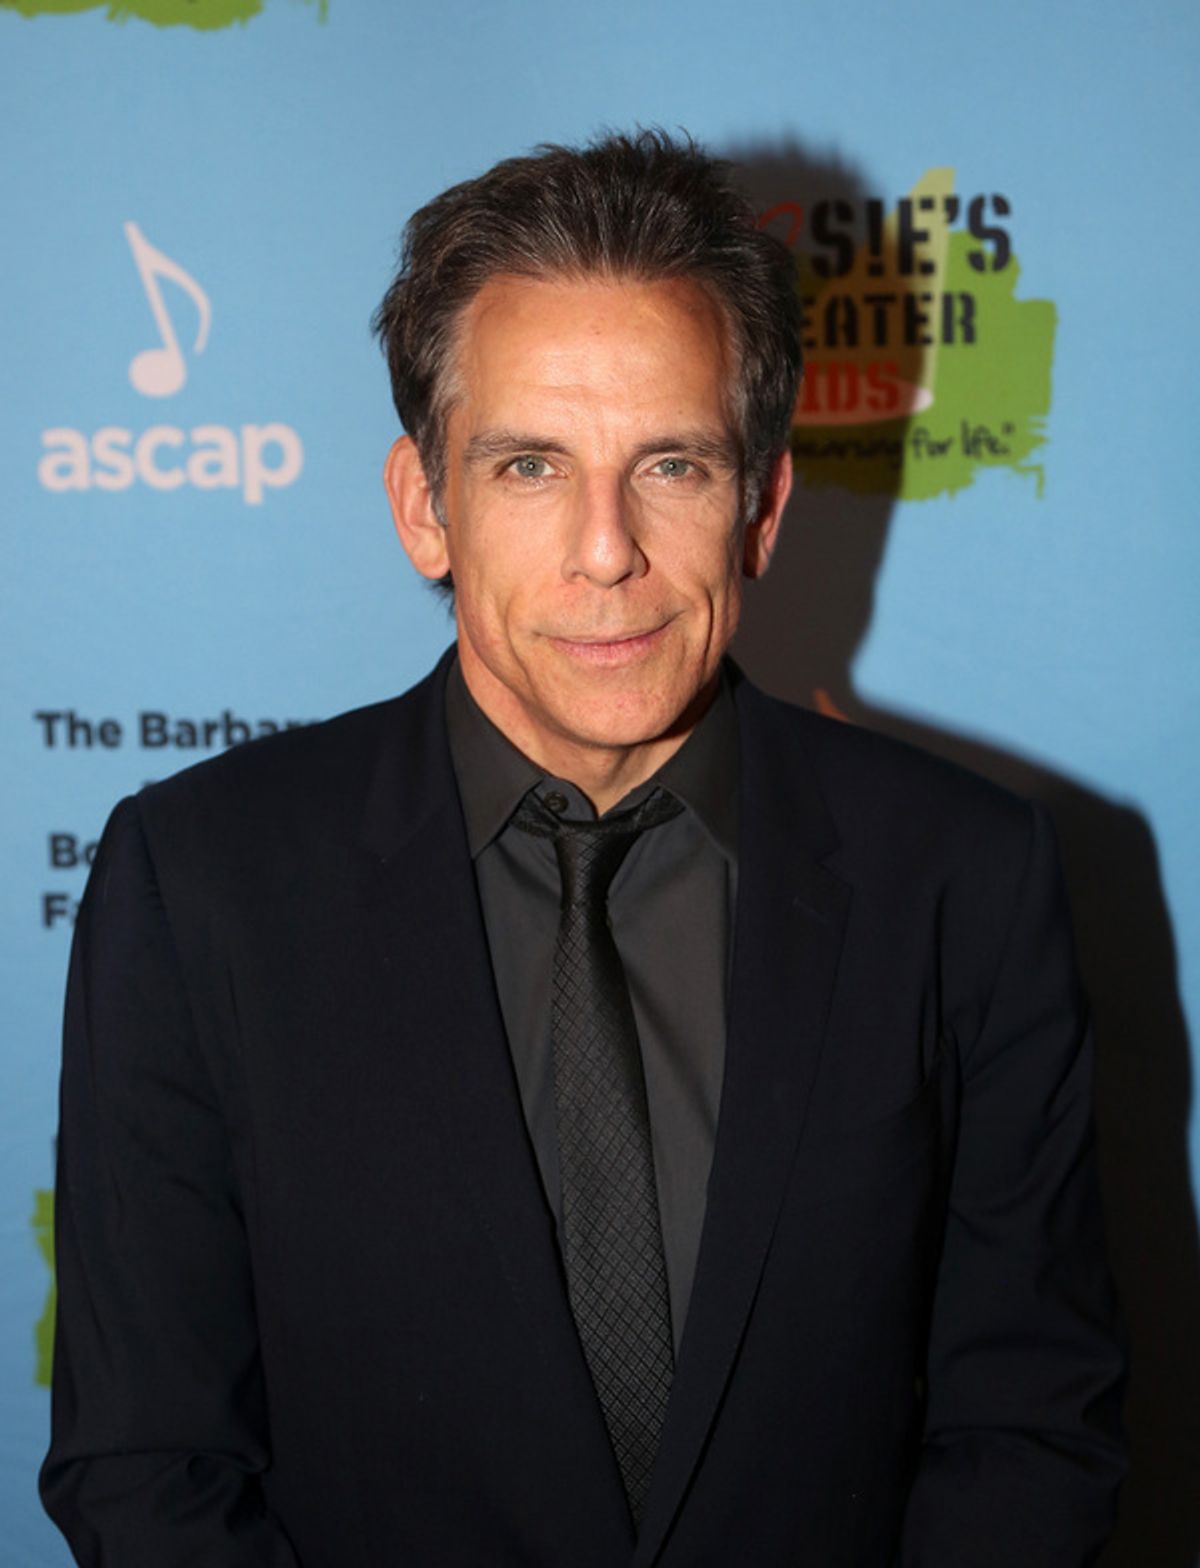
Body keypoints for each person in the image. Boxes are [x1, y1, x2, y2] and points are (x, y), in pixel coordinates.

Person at [41, 131, 1125, 1566]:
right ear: (426, 505)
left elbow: (1031, 1430)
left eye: (670, 462)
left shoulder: (964, 880)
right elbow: (149, 1468)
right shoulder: (201, 885)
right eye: (530, 465)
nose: (605, 549)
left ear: (762, 506)